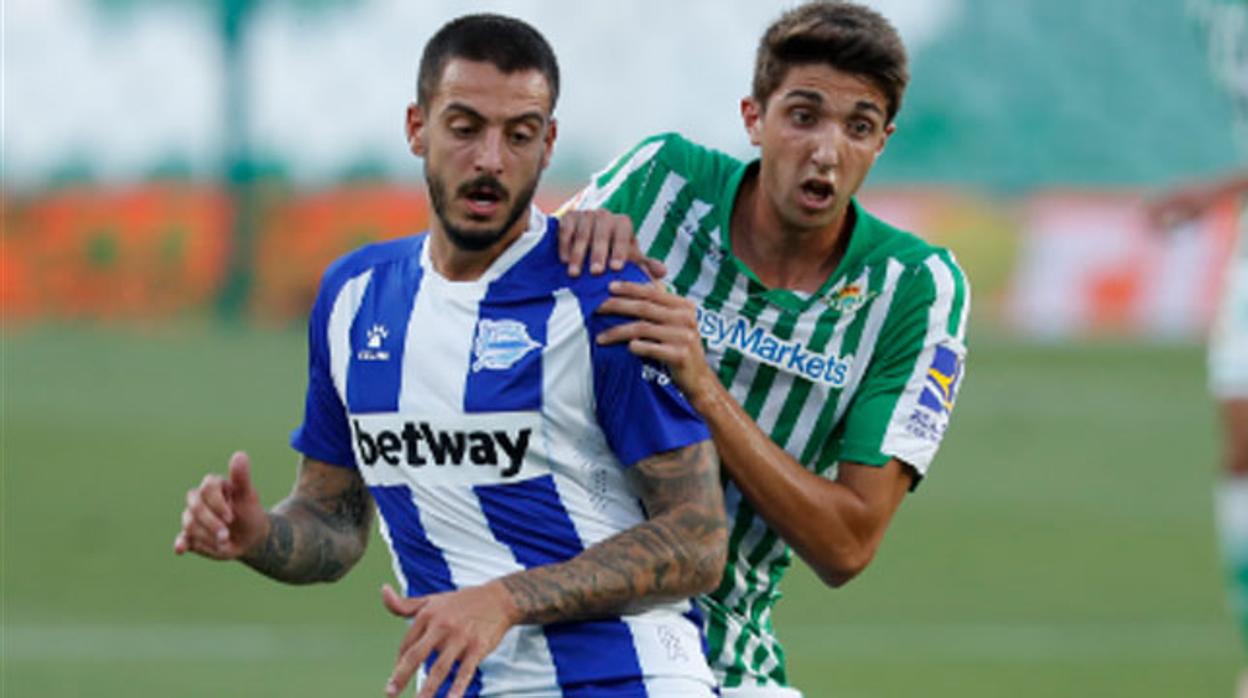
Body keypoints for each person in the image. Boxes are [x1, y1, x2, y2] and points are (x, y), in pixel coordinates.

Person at [173, 14, 728, 698]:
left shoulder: (603, 295)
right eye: (465, 128)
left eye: (519, 135)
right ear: (417, 127)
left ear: (548, 143)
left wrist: (506, 598)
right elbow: (335, 520)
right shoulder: (354, 297)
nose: (491, 159)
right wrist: (259, 534)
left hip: (627, 679)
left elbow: (698, 541)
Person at [558, 3, 969, 695]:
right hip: (557, 619)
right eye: (803, 116)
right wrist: (560, 249)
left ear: (883, 143)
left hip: (723, 657)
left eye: (859, 128)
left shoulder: (914, 290)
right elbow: (501, 325)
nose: (827, 151)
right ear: (754, 117)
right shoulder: (660, 183)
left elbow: (848, 544)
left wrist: (702, 386)